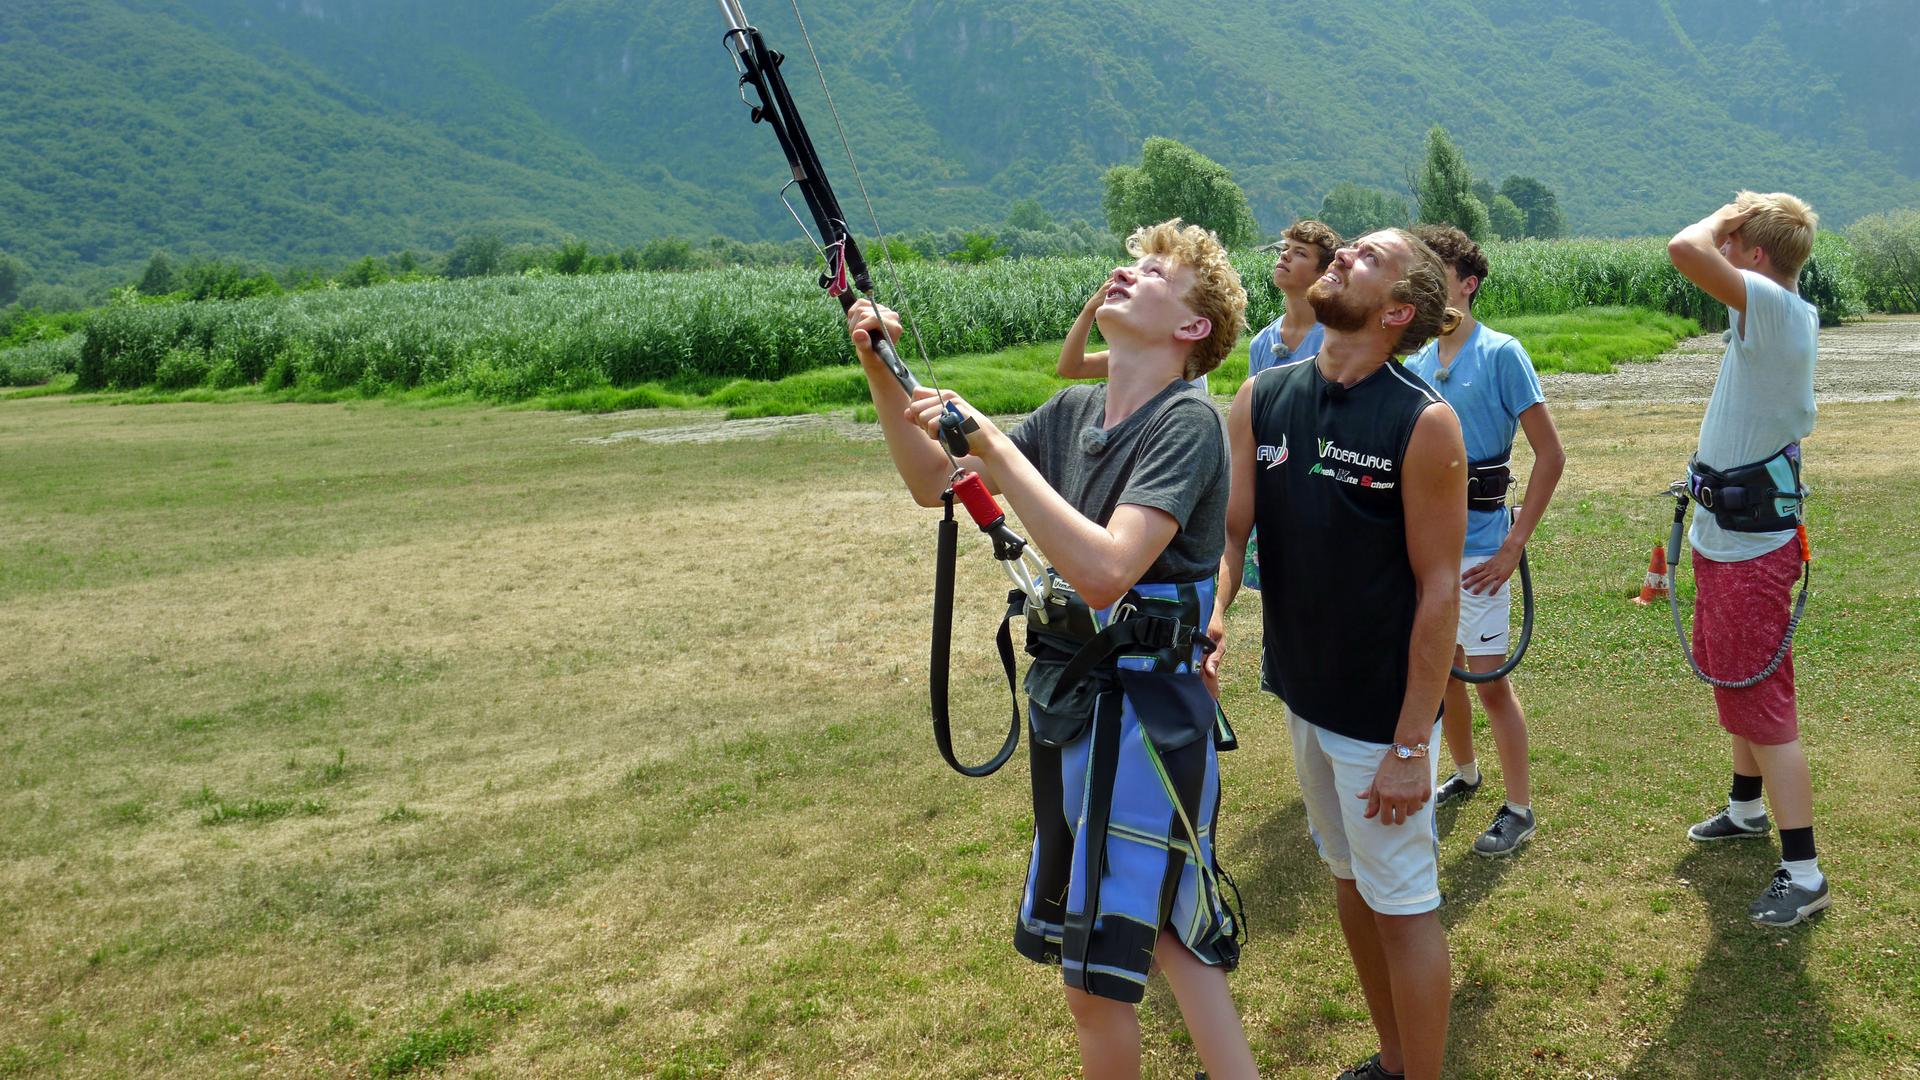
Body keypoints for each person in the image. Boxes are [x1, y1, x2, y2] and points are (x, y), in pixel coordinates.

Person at [849, 219, 1259, 1078]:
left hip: (1147, 725)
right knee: (1104, 971)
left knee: (1165, 945)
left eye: (1152, 271)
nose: (1123, 270)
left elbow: (1108, 570)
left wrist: (993, 441)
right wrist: (881, 368)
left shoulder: (1187, 421)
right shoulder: (1072, 410)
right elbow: (934, 482)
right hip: (1078, 712)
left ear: (1192, 329)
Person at [1206, 229, 1466, 1080]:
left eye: (1369, 257)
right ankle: (1393, 1062)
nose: (1345, 252)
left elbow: (1438, 594)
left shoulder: (1423, 421)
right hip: (1304, 696)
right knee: (1351, 886)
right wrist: (1213, 614)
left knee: (1404, 909)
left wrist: (1410, 744)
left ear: (1397, 311)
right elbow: (1231, 530)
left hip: (1377, 716)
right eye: (1348, 246)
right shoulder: (1264, 396)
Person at [1667, 192, 1830, 928]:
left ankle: (1804, 872)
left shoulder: (1771, 304)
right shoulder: (1773, 307)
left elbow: (1682, 249)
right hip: (1728, 540)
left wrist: (1724, 218)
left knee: (1764, 709)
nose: (1724, 251)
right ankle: (1744, 808)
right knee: (1738, 682)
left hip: (1748, 554)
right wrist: (1750, 222)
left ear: (1756, 257)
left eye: (1737, 242)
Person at [1405, 225, 1565, 858]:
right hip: (1424, 550)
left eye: (1434, 272)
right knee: (1442, 671)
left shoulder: (1502, 353)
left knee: (1489, 681)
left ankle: (1519, 808)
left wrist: (1511, 547)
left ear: (1467, 285)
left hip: (1481, 551)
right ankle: (1465, 773)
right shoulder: (1415, 360)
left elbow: (1550, 456)